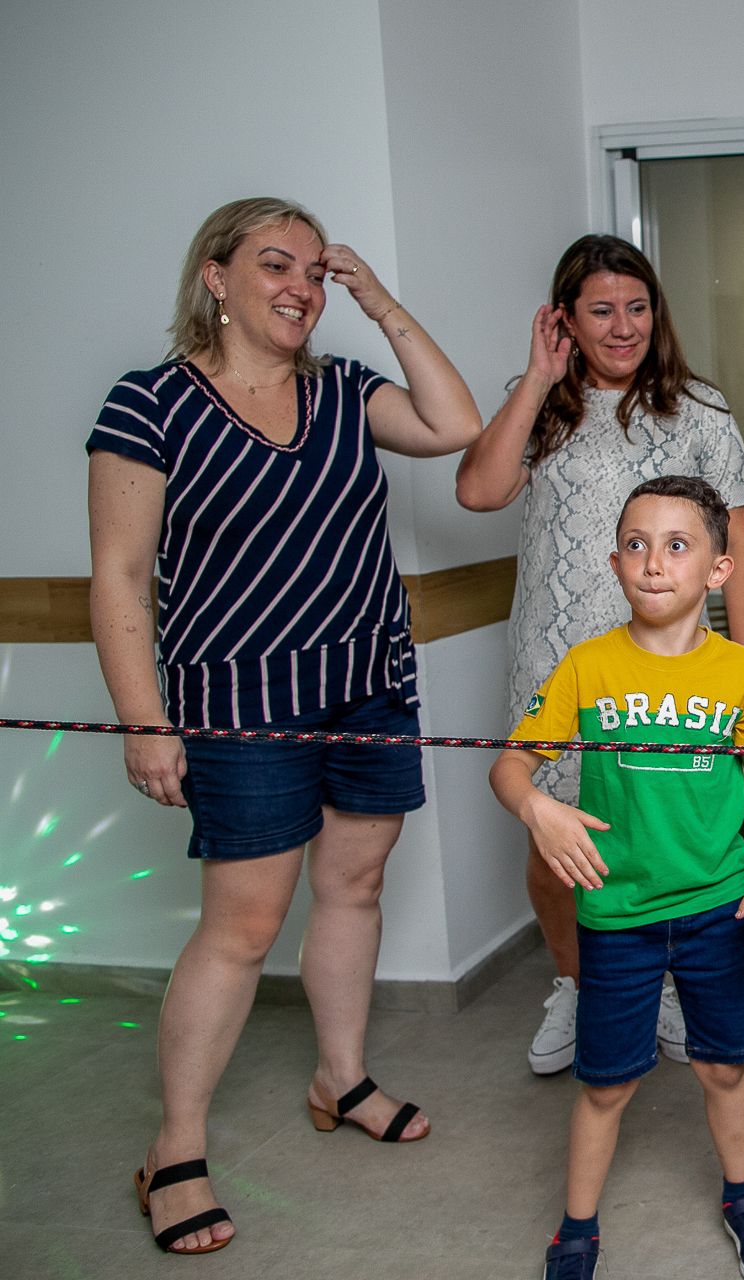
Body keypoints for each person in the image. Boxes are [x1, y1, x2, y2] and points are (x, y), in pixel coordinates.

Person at [89, 197, 482, 1254]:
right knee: (243, 926)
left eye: (315, 270)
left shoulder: (348, 392)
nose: (302, 286)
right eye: (277, 264)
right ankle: (173, 1147)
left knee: (354, 885)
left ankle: (338, 1075)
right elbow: (121, 577)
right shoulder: (149, 402)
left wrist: (379, 299)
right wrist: (145, 718)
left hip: (369, 686)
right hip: (237, 704)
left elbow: (456, 425)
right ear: (213, 276)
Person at [456, 234, 744, 1076]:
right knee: (553, 823)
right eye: (600, 310)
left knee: (659, 822)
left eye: (636, 307)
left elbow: (741, 546)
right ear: (565, 318)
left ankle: (656, 981)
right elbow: (478, 490)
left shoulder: (700, 407)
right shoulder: (540, 402)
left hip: (676, 662)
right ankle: (577, 982)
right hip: (557, 656)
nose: (622, 326)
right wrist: (537, 378)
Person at [489, 476, 744, 1280]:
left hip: (717, 907)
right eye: (635, 544)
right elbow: (510, 768)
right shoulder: (586, 668)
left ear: (719, 570)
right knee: (605, 1084)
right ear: (614, 562)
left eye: (676, 545)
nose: (653, 563)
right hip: (616, 915)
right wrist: (537, 811)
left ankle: (743, 1194)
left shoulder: (740, 672)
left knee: (723, 1066)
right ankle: (577, 1228)